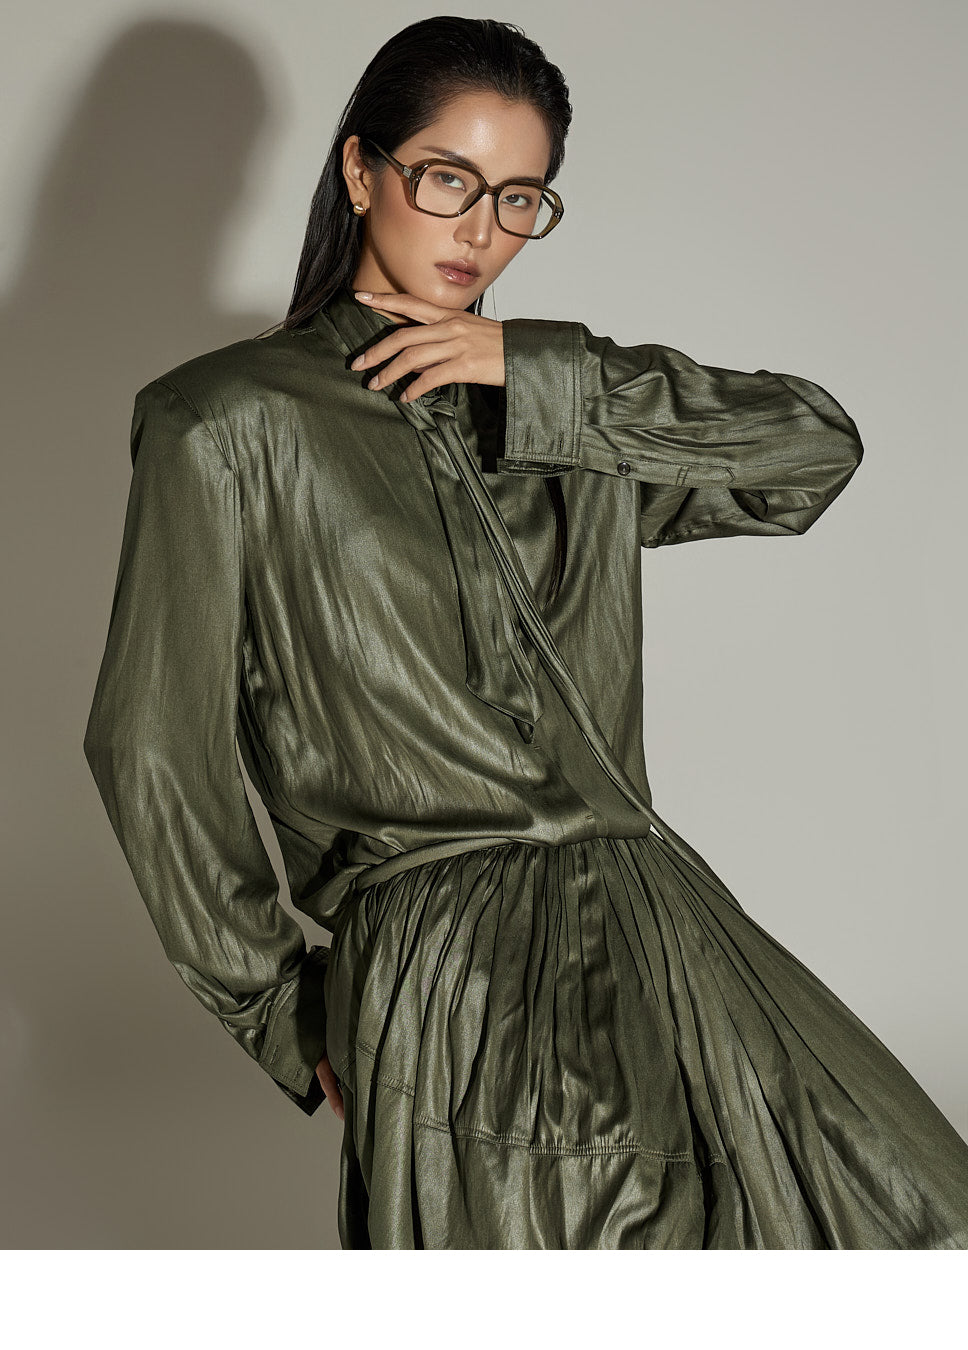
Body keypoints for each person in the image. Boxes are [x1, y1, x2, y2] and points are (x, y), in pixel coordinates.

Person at [82, 16, 968, 1249]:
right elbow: (153, 748)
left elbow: (810, 454)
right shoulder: (224, 421)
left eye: (518, 198)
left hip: (658, 920)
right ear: (360, 173)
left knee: (907, 1218)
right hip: (452, 960)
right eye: (447, 180)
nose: (480, 230)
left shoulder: (564, 413)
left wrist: (547, 372)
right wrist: (280, 1009)